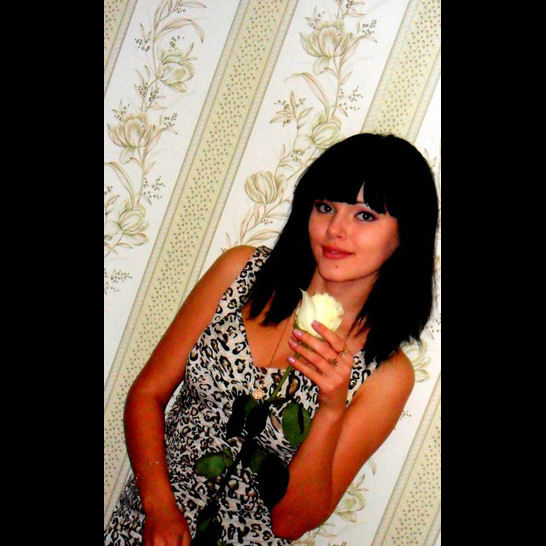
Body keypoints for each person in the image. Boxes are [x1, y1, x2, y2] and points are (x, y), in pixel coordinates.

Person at [104, 132, 439, 545]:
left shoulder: (386, 374)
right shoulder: (240, 272)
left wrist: (331, 409)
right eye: (325, 207)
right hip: (143, 528)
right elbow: (147, 394)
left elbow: (291, 523)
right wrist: (158, 511)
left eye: (365, 216)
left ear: (405, 235)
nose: (335, 229)